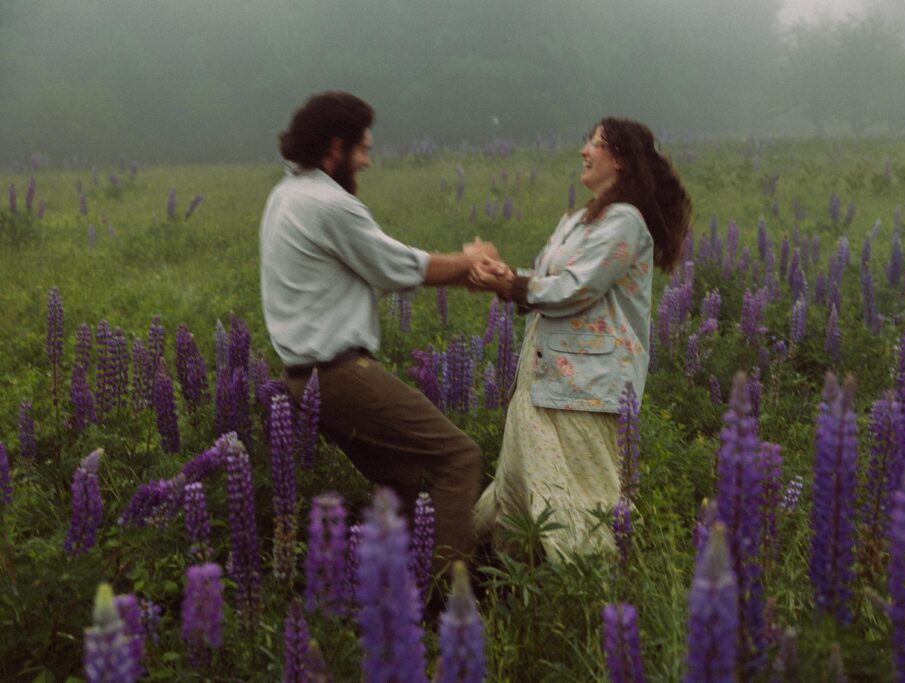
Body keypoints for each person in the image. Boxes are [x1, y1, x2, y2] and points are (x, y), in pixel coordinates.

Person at [259, 91, 490, 578]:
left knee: (402, 480)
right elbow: (399, 267)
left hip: (304, 378)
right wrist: (469, 263)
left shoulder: (286, 194)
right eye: (363, 149)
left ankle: (392, 593)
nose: (367, 160)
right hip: (340, 377)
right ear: (334, 148)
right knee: (459, 457)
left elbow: (352, 275)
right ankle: (447, 600)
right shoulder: (329, 204)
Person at [470, 118, 692, 560]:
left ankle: (590, 605)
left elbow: (578, 288)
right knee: (516, 497)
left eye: (595, 143)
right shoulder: (579, 219)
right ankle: (500, 588)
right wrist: (505, 276)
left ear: (622, 161)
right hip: (542, 379)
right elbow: (551, 282)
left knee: (577, 504)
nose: (583, 151)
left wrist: (513, 286)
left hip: (585, 389)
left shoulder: (625, 222)